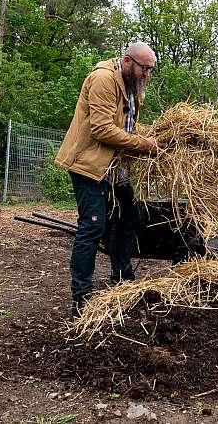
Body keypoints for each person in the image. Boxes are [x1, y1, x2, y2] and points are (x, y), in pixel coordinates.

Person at [55, 42, 159, 318]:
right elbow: (102, 129)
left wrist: (152, 139)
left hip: (114, 166)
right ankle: (81, 297)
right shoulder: (103, 79)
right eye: (144, 68)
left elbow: (127, 126)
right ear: (128, 61)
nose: (147, 74)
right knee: (93, 227)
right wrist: (144, 145)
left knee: (129, 216)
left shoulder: (132, 85)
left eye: (151, 70)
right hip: (89, 164)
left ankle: (121, 276)